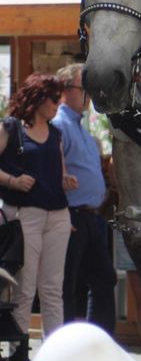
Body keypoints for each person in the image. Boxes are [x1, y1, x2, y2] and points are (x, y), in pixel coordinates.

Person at [0, 73, 77, 339]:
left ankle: (52, 359)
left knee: (53, 289)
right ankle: (18, 358)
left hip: (58, 215)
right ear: (38, 98)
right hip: (24, 216)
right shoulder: (10, 128)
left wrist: (65, 179)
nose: (58, 104)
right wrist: (12, 181)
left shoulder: (56, 133)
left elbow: (59, 170)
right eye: (54, 98)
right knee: (24, 289)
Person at [51, 64, 117, 336]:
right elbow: (52, 173)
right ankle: (66, 348)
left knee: (103, 281)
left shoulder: (84, 131)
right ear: (65, 91)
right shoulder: (58, 126)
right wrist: (61, 214)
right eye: (83, 89)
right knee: (67, 286)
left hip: (94, 217)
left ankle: (99, 345)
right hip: (72, 217)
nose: (88, 96)